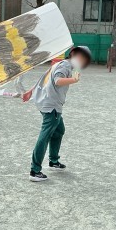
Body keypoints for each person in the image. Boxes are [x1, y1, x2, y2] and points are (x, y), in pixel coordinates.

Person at [23, 46, 92, 182]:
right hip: (51, 106)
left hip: (46, 102)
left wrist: (31, 90)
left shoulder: (60, 64)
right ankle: (35, 170)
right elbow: (57, 80)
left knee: (59, 130)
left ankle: (53, 161)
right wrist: (74, 80)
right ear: (73, 54)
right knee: (45, 135)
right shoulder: (65, 66)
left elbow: (45, 78)